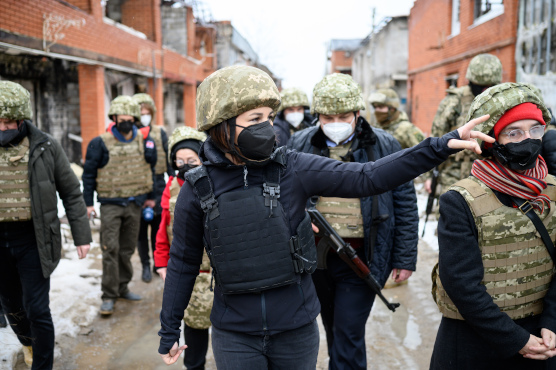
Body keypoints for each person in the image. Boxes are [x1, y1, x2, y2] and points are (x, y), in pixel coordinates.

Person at [157, 65, 492, 369]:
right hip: (234, 335)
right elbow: (183, 262)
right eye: (255, 119)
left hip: (295, 330)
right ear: (222, 125)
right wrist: (169, 328)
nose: (269, 128)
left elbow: (368, 176)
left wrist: (441, 145)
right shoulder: (197, 188)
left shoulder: (291, 167)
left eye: (269, 118)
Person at [288, 73, 418, 369]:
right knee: (333, 328)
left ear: (358, 113)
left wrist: (405, 257)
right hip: (314, 257)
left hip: (362, 255)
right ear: (316, 115)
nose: (335, 122)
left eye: (343, 115)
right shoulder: (300, 142)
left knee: (349, 331)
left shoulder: (384, 144)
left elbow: (405, 202)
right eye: (328, 116)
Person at [430, 82, 556, 369]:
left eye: (535, 129)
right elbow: (462, 285)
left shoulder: (553, 191)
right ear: (491, 141)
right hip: (474, 342)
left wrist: (552, 321)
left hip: (542, 339)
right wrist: (516, 340)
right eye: (514, 133)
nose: (528, 140)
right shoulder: (459, 200)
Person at [0, 81, 92, 369]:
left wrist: (82, 235)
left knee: (37, 309)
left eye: (9, 121)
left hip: (34, 240)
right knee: (12, 306)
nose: (4, 128)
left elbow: (71, 191)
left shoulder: (45, 146)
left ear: (22, 118)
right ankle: (28, 342)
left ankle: (42, 364)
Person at [82, 95, 156, 316]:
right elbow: (88, 175)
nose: (125, 122)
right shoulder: (99, 143)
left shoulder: (143, 140)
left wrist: (150, 197)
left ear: (134, 119)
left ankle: (123, 288)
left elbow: (149, 169)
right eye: (120, 118)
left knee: (126, 249)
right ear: (114, 118)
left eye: (129, 118)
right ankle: (108, 295)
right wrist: (88, 203)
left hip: (135, 203)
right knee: (110, 249)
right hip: (110, 205)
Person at [154, 125, 213, 370]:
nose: (185, 164)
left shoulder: (215, 183)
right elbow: (163, 228)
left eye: (191, 159)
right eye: (180, 160)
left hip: (216, 274)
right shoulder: (171, 187)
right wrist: (161, 262)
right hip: (190, 275)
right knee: (194, 330)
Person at [425, 53, 503, 195]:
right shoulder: (454, 101)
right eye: (480, 86)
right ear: (471, 81)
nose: (485, 91)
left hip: (488, 174)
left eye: (490, 87)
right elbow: (435, 141)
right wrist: (430, 176)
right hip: (453, 173)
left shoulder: (503, 101)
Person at [132, 93, 172, 283]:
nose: (144, 115)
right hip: (138, 185)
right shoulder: (130, 134)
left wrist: (173, 180)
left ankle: (158, 264)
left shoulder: (159, 132)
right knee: (141, 231)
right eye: (141, 112)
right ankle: (145, 266)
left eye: (147, 112)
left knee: (158, 229)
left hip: (158, 183)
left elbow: (169, 156)